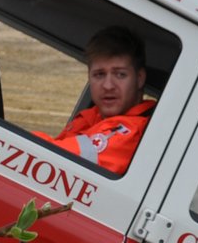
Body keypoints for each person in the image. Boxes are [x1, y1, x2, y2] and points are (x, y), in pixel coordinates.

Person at [38, 26, 153, 176]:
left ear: (139, 78)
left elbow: (50, 158)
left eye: (120, 75)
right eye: (99, 75)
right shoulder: (93, 116)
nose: (108, 86)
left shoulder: (132, 132)